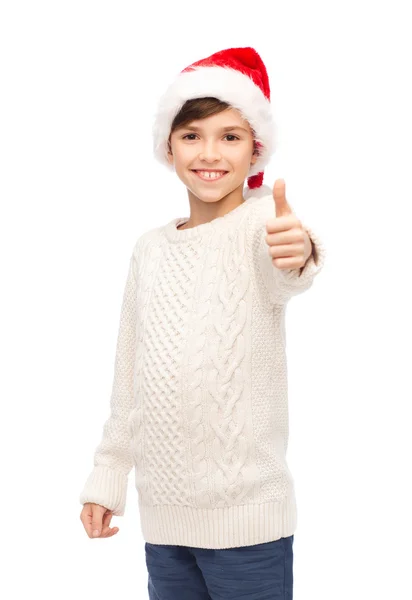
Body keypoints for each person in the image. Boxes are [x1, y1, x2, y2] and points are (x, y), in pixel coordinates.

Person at [79, 46, 326, 599]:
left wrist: (299, 251)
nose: (209, 153)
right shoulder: (150, 249)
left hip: (249, 530)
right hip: (164, 527)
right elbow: (130, 379)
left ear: (255, 147)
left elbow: (288, 269)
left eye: (230, 136)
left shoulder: (263, 224)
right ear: (168, 146)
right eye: (192, 135)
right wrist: (107, 477)